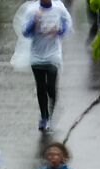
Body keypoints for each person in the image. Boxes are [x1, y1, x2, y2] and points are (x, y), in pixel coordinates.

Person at [20, 0, 73, 132]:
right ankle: (44, 117)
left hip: (53, 55)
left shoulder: (59, 8)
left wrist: (59, 31)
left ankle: (51, 110)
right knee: (41, 87)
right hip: (36, 56)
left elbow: (68, 25)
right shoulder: (32, 10)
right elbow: (25, 32)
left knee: (51, 87)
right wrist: (34, 21)